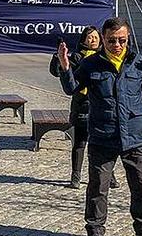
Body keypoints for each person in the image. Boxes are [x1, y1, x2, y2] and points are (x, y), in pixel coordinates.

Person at [57, 17, 142, 236]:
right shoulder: (92, 64)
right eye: (111, 40)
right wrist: (66, 67)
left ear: (128, 38)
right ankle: (95, 233)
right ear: (104, 40)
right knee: (98, 187)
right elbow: (72, 88)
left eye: (122, 40)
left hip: (135, 136)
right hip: (103, 135)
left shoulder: (137, 61)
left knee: (141, 187)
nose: (117, 45)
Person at [49, 26, 119, 191]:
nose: (93, 40)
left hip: (102, 109)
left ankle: (110, 176)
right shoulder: (76, 57)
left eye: (95, 37)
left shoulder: (106, 57)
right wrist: (58, 58)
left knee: (105, 145)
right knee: (79, 144)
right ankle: (76, 177)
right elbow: (57, 72)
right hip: (82, 107)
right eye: (89, 37)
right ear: (83, 40)